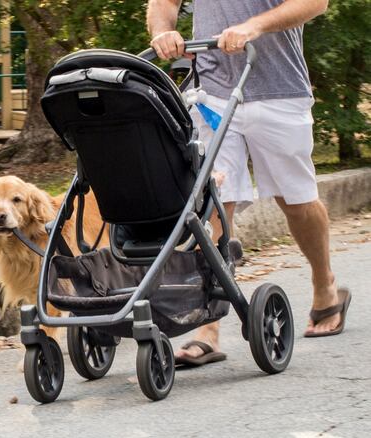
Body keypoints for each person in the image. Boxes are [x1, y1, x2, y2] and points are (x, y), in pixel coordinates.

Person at [146, 0, 349, 366]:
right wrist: (163, 32)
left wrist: (254, 26)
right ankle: (207, 326)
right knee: (212, 204)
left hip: (279, 90)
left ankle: (324, 282)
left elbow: (316, 3)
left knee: (297, 201)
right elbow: (164, 3)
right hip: (212, 92)